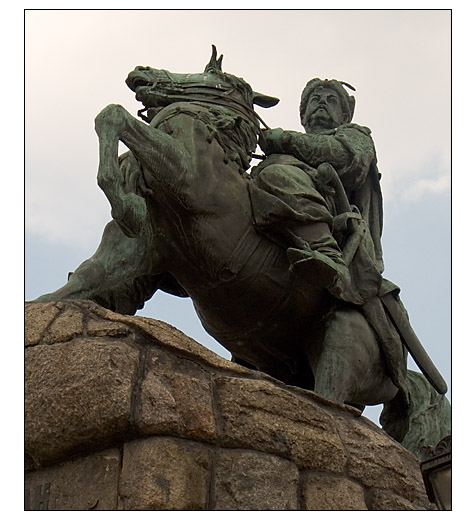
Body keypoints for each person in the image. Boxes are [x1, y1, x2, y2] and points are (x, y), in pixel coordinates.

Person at [249, 78, 407, 397]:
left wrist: (284, 140)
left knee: (278, 173)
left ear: (345, 115)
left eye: (331, 100)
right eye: (314, 99)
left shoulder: (354, 137)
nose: (321, 103)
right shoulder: (283, 153)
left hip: (339, 235)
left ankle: (327, 257)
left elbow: (346, 161)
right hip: (281, 230)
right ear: (303, 113)